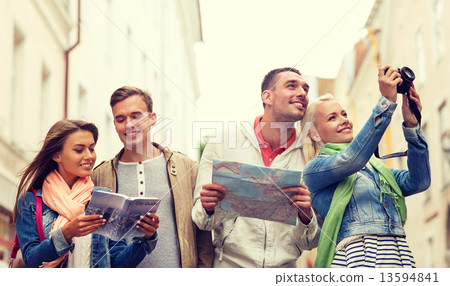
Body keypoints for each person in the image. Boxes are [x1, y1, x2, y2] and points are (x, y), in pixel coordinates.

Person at [301, 65, 431, 268]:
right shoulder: (314, 169)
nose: (344, 120)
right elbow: (352, 159)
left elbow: (419, 181)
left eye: (344, 114)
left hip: (397, 251)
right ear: (314, 134)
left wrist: (412, 127)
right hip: (359, 256)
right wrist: (386, 102)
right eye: (332, 117)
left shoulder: (375, 169)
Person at [192, 67, 320, 267]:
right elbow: (202, 221)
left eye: (305, 89)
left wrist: (306, 216)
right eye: (291, 86)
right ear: (267, 96)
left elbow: (311, 242)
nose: (302, 93)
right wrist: (208, 208)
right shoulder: (223, 143)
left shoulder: (311, 153)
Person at [91, 86, 213, 268]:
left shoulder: (187, 168)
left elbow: (203, 235)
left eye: (136, 116)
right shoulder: (99, 175)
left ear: (152, 119)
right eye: (120, 119)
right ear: (115, 124)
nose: (129, 124)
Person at [13, 120, 159, 268]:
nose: (89, 156)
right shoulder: (30, 202)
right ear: (57, 155)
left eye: (92, 148)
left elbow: (117, 264)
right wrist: (66, 234)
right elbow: (31, 261)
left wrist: (146, 237)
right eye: (79, 150)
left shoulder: (106, 199)